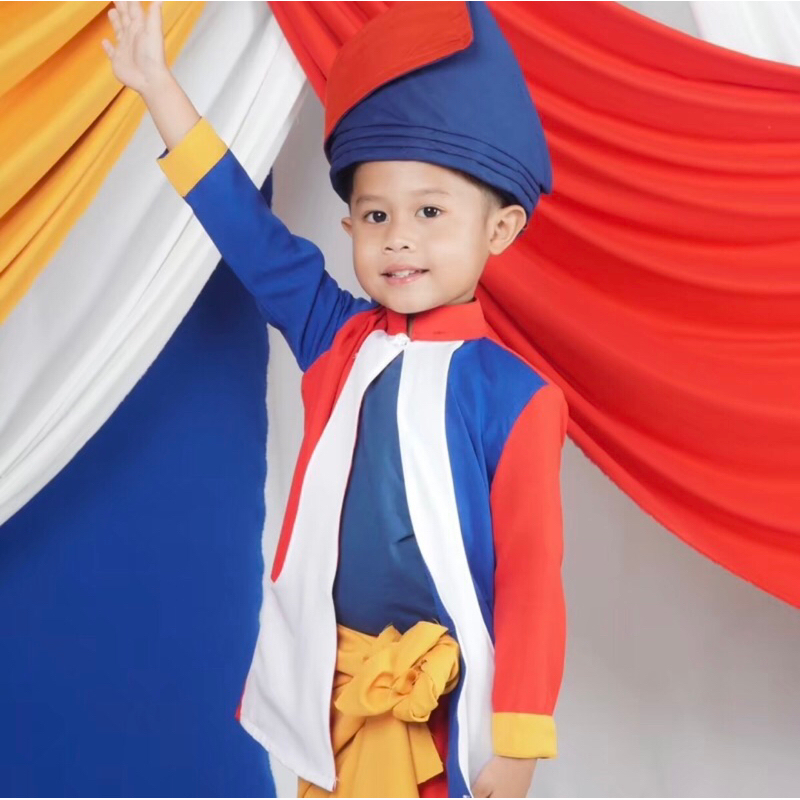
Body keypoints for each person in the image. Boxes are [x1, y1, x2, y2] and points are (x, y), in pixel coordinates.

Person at [102, 1, 569, 797]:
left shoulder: (519, 398)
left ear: (500, 229)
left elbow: (531, 579)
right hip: (334, 699)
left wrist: (519, 741)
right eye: (376, 215)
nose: (399, 237)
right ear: (349, 225)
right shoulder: (336, 337)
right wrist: (157, 86)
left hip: (448, 716)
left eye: (430, 212)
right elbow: (247, 232)